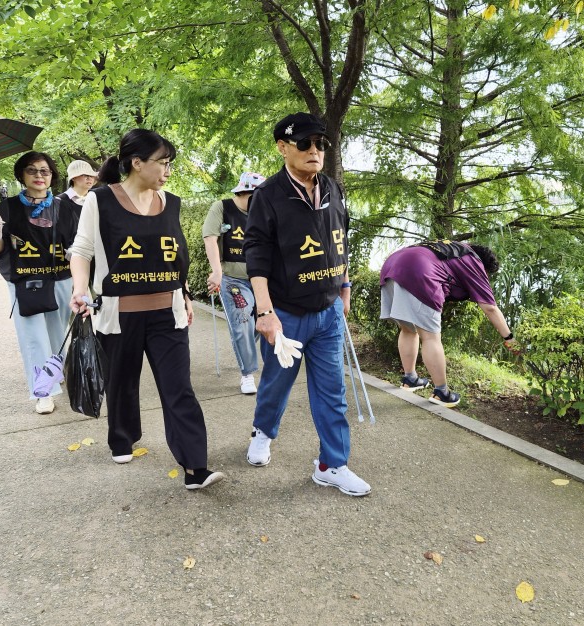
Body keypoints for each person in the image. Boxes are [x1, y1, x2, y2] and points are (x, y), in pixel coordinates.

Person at [67, 128, 224, 490]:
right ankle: (122, 438)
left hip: (168, 313)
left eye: (170, 163)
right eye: (162, 162)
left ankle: (195, 466)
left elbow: (176, 256)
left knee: (179, 388)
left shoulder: (172, 202)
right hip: (118, 314)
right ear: (137, 163)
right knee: (121, 382)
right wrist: (80, 289)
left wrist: (185, 294)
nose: (167, 170)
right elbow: (82, 250)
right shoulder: (99, 201)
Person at [242, 112, 371, 497]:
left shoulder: (332, 188)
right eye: (305, 143)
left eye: (320, 144)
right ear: (283, 147)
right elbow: (257, 256)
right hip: (286, 314)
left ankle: (332, 464)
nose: (314, 150)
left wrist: (344, 288)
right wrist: (265, 312)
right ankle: (263, 431)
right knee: (276, 383)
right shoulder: (268, 196)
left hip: (328, 312)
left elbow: (340, 239)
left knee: (333, 392)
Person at [0, 152, 77, 414]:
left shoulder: (65, 207)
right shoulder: (7, 208)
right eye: (32, 170)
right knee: (34, 337)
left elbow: (78, 242)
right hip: (25, 281)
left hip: (60, 279)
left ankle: (54, 374)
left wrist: (75, 256)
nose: (39, 176)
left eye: (44, 171)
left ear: (52, 176)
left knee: (57, 335)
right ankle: (43, 391)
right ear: (21, 175)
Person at [379, 240, 521, 408]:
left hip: (391, 267)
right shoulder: (473, 260)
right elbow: (490, 308)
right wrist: (510, 339)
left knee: (408, 329)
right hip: (419, 272)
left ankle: (410, 379)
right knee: (430, 337)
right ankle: (442, 393)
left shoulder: (452, 248)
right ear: (484, 266)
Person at [202, 171, 267, 394]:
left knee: (260, 322)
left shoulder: (264, 213)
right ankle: (247, 373)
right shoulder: (222, 208)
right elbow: (210, 239)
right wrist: (216, 271)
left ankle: (243, 345)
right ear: (244, 193)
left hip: (262, 279)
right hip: (232, 279)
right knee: (242, 319)